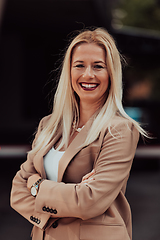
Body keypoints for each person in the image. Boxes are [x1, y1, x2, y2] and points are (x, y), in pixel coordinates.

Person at [10, 27, 147, 240]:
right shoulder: (49, 125)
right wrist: (67, 200)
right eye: (79, 65)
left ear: (111, 73)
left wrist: (37, 187)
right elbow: (17, 191)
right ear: (69, 71)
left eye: (98, 66)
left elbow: (90, 201)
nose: (88, 74)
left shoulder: (119, 130)